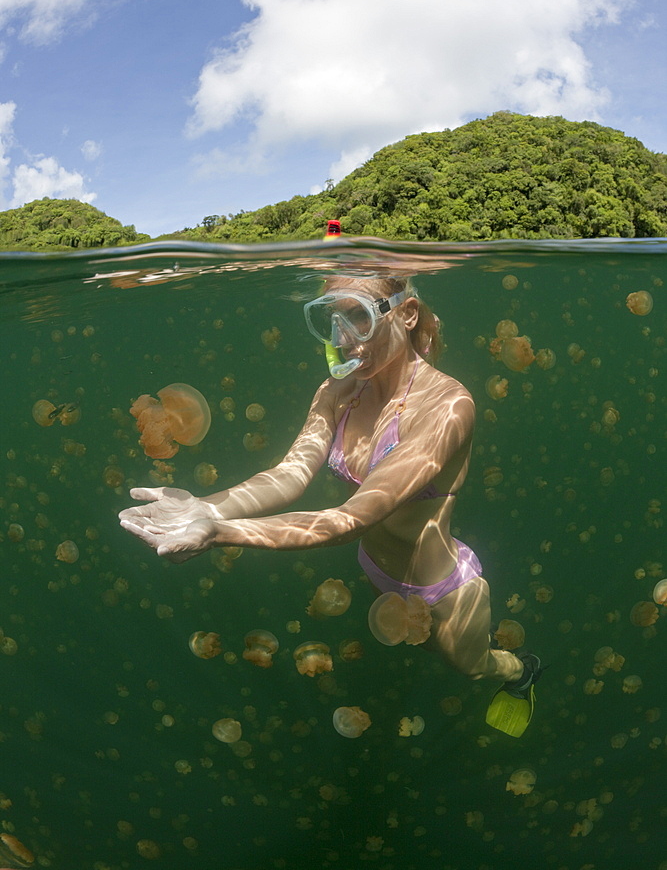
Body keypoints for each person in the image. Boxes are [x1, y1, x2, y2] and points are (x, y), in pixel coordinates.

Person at [119, 275, 541, 736]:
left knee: (472, 666)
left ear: (407, 312)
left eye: (359, 314)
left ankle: (523, 673)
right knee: (418, 642)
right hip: (378, 570)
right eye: (331, 319)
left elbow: (352, 516)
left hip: (440, 587)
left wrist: (220, 533)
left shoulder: (448, 407)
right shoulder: (339, 390)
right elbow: (290, 473)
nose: (342, 339)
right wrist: (207, 507)